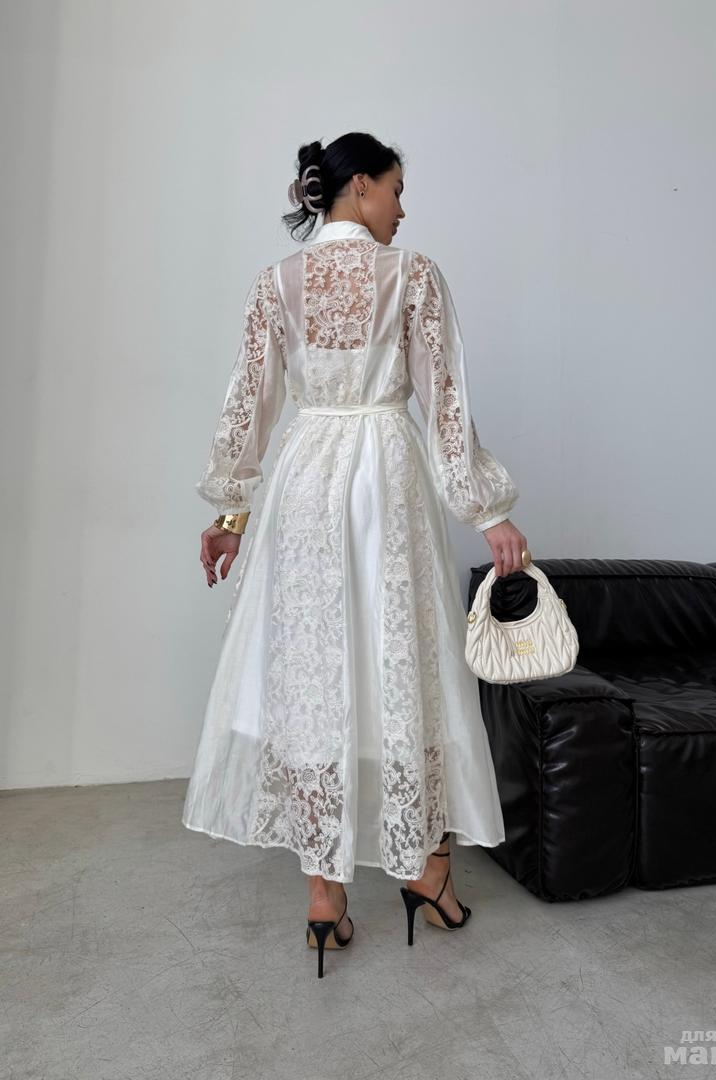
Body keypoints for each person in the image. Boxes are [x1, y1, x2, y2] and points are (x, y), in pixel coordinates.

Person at [182, 131, 529, 977]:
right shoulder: (411, 275)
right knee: (402, 665)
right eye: (397, 189)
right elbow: (446, 404)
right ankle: (422, 871)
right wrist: (488, 512)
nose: (403, 208)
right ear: (361, 185)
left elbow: (247, 403)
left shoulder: (277, 282)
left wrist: (230, 511)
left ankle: (323, 897)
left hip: (303, 482)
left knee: (312, 672)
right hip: (384, 481)